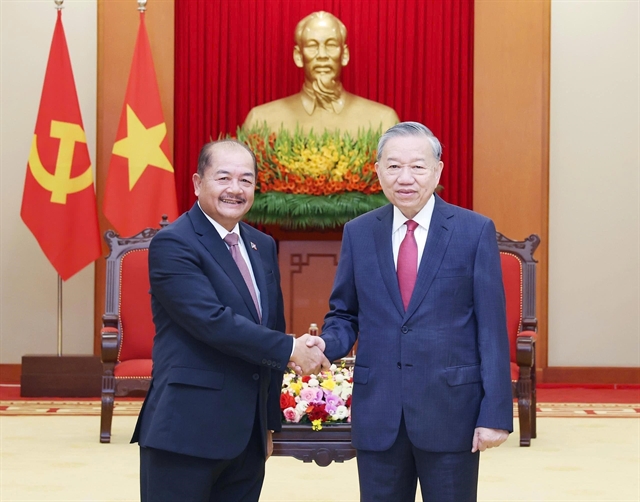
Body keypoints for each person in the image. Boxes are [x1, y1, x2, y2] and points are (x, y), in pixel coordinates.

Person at [318, 122, 513, 501]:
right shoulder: (359, 232)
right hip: (379, 411)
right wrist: (325, 345)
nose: (405, 178)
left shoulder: (473, 231)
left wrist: (495, 414)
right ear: (378, 171)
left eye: (417, 167)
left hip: (451, 411)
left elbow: (491, 329)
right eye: (393, 166)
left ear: (437, 171)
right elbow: (344, 314)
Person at [131, 139, 329, 502]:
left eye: (246, 180)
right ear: (197, 183)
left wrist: (268, 423)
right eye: (223, 178)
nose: (235, 189)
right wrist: (291, 348)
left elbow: (270, 325)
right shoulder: (174, 243)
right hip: (186, 432)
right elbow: (212, 321)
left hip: (246, 437)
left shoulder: (261, 245)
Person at [243, 11, 399, 136]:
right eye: (312, 46)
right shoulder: (261, 121)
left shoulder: (383, 121)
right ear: (298, 56)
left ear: (344, 54)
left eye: (331, 45)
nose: (322, 55)